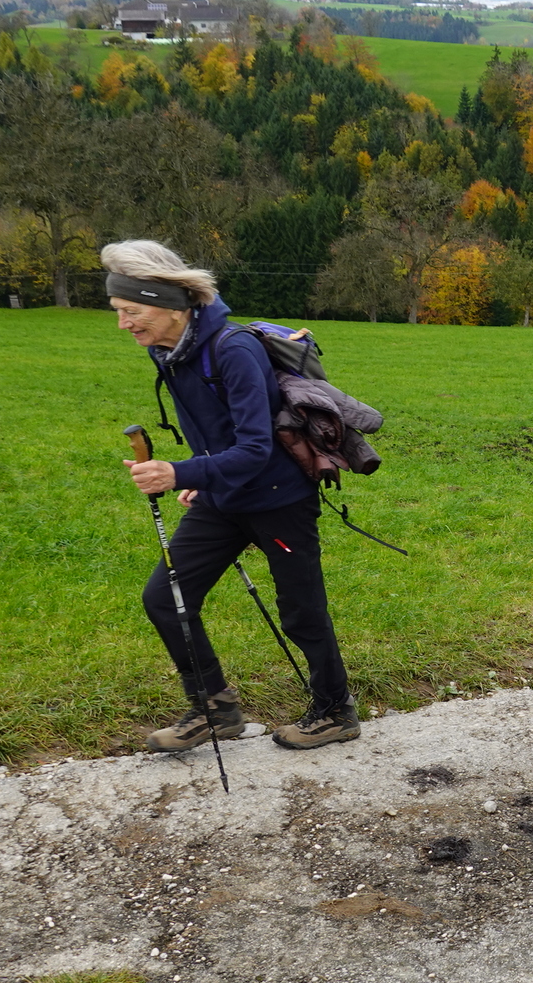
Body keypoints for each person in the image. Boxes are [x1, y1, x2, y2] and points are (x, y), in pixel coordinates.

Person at [107, 240, 360, 751]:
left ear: (170, 306)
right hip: (224, 498)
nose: (122, 324)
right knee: (166, 598)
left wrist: (178, 472)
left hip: (279, 499)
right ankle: (215, 709)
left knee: (302, 612)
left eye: (131, 311)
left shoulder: (233, 349)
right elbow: (214, 430)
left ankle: (336, 711)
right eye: (118, 310)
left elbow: (255, 448)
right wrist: (200, 476)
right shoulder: (169, 351)